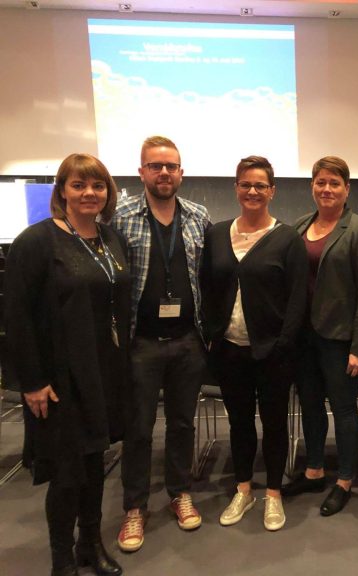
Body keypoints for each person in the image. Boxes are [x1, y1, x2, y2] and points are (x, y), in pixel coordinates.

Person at [5, 154, 130, 576]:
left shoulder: (111, 239)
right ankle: (62, 559)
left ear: (108, 192)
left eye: (97, 185)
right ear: (62, 191)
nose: (89, 193)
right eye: (79, 185)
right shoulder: (36, 242)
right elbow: (17, 317)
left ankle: (89, 545)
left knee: (95, 464)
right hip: (57, 379)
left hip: (101, 372)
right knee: (66, 472)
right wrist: (32, 381)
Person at [112, 136, 211, 552]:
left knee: (183, 424)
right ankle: (135, 507)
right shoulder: (120, 217)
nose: (164, 172)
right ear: (142, 172)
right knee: (137, 428)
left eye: (171, 166)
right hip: (142, 343)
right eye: (156, 166)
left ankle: (179, 493)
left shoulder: (199, 217)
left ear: (181, 173)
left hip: (188, 340)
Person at [202, 156, 307, 531]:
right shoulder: (217, 234)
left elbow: (298, 298)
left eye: (260, 185)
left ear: (272, 191)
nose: (252, 191)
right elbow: (206, 288)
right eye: (245, 184)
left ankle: (273, 494)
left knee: (275, 424)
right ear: (236, 188)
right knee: (240, 423)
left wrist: (284, 344)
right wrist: (211, 334)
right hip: (230, 350)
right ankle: (243, 489)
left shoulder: (287, 238)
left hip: (273, 353)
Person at [282, 157, 358, 515]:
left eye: (334, 183)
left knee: (344, 409)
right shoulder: (299, 226)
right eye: (320, 182)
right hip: (304, 339)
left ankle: (345, 479)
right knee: (310, 405)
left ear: (347, 189)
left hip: (340, 340)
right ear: (312, 186)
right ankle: (314, 470)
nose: (327, 189)